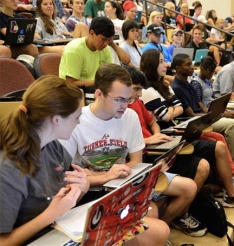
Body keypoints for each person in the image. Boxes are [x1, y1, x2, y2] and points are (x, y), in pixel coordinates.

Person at [59, 63, 207, 238]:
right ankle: (155, 234)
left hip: (125, 178)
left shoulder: (130, 116)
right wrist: (105, 176)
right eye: (119, 99)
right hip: (95, 188)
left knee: (188, 187)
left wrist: (142, 172)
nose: (125, 105)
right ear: (99, 94)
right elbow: (67, 177)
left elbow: (136, 160)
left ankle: (161, 230)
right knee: (149, 213)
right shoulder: (77, 121)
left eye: (129, 99)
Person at [139, 49, 234, 208]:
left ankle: (232, 179)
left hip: (179, 127)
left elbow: (178, 108)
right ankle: (232, 190)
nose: (165, 65)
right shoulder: (147, 91)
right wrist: (170, 111)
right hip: (171, 134)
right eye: (160, 62)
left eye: (163, 60)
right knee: (218, 143)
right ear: (151, 64)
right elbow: (168, 115)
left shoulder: (165, 85)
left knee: (218, 138)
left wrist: (169, 111)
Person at [0, 75, 89, 245]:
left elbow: (64, 201)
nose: (78, 122)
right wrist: (49, 216)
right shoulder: (8, 169)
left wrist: (82, 188)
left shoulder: (52, 145)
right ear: (56, 120)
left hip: (57, 234)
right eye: (77, 117)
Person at [59, 17, 131, 99]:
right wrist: (100, 82)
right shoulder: (74, 50)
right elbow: (70, 84)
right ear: (92, 34)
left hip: (97, 89)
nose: (106, 44)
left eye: (109, 40)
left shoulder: (105, 48)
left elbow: (107, 75)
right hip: (76, 93)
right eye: (103, 39)